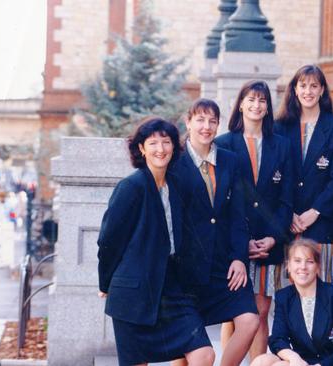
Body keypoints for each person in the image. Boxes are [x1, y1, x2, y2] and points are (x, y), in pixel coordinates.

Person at [97, 117, 214, 366]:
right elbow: (109, 241)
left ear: (174, 147)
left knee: (204, 354)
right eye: (152, 143)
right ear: (141, 148)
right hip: (135, 293)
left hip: (173, 288)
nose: (160, 149)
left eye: (166, 142)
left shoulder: (178, 184)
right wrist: (105, 282)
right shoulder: (131, 187)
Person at [171, 99, 259, 366]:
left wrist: (239, 258)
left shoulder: (230, 161)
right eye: (200, 120)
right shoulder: (175, 163)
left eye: (212, 121)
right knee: (184, 348)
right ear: (188, 123)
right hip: (185, 270)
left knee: (249, 320)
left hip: (224, 263)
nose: (206, 127)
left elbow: (238, 215)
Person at [215, 80, 294, 360]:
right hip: (234, 243)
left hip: (269, 242)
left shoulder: (282, 145)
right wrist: (241, 242)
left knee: (260, 312)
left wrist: (273, 237)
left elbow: (287, 201)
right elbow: (220, 201)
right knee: (233, 314)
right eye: (251, 99)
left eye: (262, 101)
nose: (256, 105)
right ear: (240, 103)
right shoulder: (223, 144)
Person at [275, 65, 333, 283]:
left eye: (314, 86)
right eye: (303, 86)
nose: (308, 91)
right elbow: (276, 175)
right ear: (295, 90)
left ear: (322, 90)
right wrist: (287, 213)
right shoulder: (280, 127)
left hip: (322, 221)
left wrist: (315, 211)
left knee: (319, 283)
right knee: (287, 286)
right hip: (286, 221)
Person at [251, 239, 333, 366]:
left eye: (309, 262)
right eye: (297, 261)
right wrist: (294, 357)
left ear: (318, 267)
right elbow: (277, 338)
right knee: (262, 361)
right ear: (288, 266)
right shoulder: (284, 297)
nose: (303, 267)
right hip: (303, 363)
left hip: (332, 364)